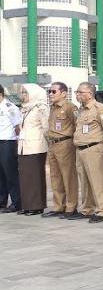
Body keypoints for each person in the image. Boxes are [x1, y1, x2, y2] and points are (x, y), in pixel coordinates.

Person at [72, 82, 103, 223]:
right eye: (76, 92)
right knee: (85, 181)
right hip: (81, 149)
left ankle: (102, 211)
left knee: (97, 180)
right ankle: (87, 209)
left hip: (95, 148)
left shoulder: (99, 108)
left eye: (80, 92)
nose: (77, 95)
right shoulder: (81, 110)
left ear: (90, 94)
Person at [42, 82, 79, 218]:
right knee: (55, 177)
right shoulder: (52, 107)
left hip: (65, 144)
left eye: (53, 92)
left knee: (68, 176)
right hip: (52, 145)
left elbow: (77, 125)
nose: (50, 94)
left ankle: (71, 207)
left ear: (63, 93)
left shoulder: (70, 107)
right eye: (49, 92)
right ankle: (58, 206)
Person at [17, 84, 49, 215]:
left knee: (35, 177)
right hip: (24, 146)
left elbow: (46, 127)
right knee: (25, 177)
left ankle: (36, 206)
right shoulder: (24, 109)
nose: (23, 95)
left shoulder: (40, 108)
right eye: (22, 92)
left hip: (36, 146)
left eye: (26, 93)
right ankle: (27, 205)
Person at [0, 85, 22, 213]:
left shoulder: (10, 108)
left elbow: (17, 127)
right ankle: (2, 200)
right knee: (1, 174)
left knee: (10, 173)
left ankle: (16, 202)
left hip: (8, 143)